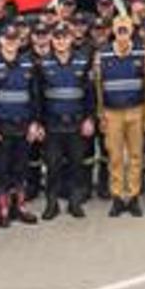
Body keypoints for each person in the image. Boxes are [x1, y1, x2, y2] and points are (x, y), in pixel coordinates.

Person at [0, 27, 42, 227]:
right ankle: (4, 209)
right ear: (0, 40)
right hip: (1, 127)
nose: (11, 42)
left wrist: (35, 122)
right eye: (7, 38)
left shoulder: (28, 64)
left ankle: (20, 207)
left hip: (23, 126)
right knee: (2, 171)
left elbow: (35, 96)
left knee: (21, 170)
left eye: (14, 39)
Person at [95, 17, 145, 217]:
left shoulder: (142, 53)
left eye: (126, 30)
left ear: (132, 30)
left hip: (136, 110)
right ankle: (118, 197)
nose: (122, 34)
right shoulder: (102, 54)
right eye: (119, 30)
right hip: (112, 112)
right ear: (113, 31)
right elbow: (98, 87)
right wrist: (101, 114)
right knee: (116, 157)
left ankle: (134, 196)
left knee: (136, 156)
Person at [38, 25, 93, 219]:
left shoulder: (82, 61)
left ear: (71, 39)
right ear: (52, 40)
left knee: (76, 165)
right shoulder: (43, 64)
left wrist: (89, 118)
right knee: (52, 166)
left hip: (76, 124)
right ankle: (51, 203)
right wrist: (38, 123)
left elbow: (89, 94)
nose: (61, 42)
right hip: (52, 125)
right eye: (57, 38)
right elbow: (38, 97)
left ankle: (74, 202)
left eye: (65, 38)